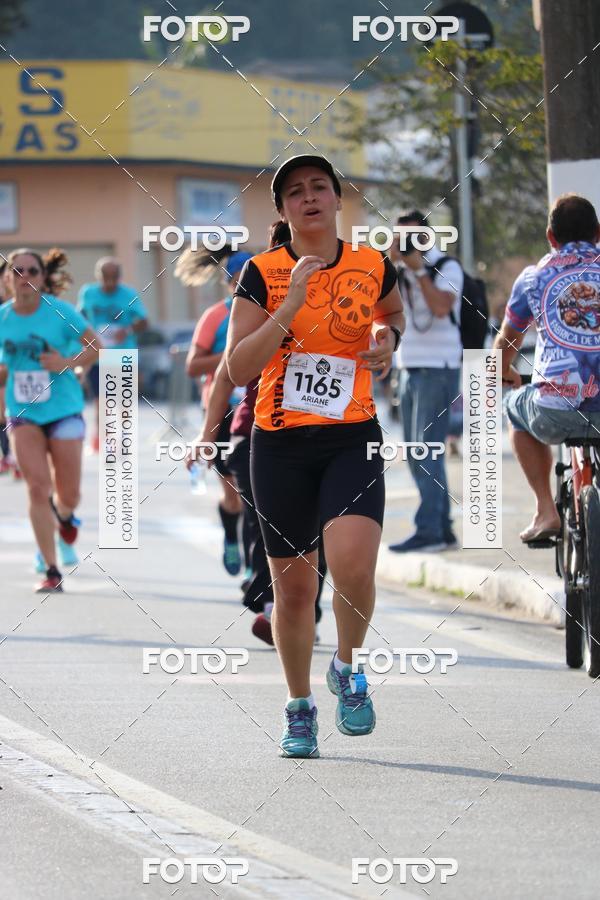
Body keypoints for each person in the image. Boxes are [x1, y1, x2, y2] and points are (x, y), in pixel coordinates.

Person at [226, 154, 404, 758]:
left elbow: (391, 316)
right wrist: (289, 303)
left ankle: (349, 670)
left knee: (353, 567)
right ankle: (298, 706)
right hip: (278, 445)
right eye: (295, 192)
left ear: (336, 199)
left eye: (319, 188)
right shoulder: (262, 271)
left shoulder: (371, 264)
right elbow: (237, 367)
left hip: (352, 435)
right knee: (296, 592)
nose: (309, 198)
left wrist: (385, 340)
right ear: (282, 211)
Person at [187, 221, 327, 647]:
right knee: (266, 521)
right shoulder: (247, 305)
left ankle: (304, 612)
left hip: (324, 433)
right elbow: (224, 377)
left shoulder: (332, 301)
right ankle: (270, 604)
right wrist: (207, 435)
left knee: (318, 530)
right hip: (255, 429)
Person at [496, 193, 600, 542]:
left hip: (555, 407)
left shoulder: (532, 278)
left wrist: (506, 371)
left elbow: (506, 343)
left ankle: (545, 510)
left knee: (514, 408)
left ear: (550, 237)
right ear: (598, 233)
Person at [0, 248, 100, 592]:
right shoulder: (2, 318)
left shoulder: (60, 312)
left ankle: (67, 517)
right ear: (7, 279)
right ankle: (52, 570)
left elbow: (96, 346)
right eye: (16, 270)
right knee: (37, 488)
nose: (23, 275)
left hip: (63, 410)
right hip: (23, 413)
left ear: (42, 277)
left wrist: (67, 362)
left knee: (68, 493)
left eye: (31, 270)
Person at [389, 210, 463, 554]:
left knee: (426, 450)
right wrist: (390, 264)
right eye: (400, 236)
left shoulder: (446, 267)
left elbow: (439, 308)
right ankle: (443, 528)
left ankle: (429, 529)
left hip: (438, 367)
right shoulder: (397, 269)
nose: (406, 244)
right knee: (416, 452)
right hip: (407, 367)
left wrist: (418, 269)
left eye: (412, 237)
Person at [177, 245, 252, 577]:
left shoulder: (269, 312)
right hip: (221, 409)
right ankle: (231, 537)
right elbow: (193, 364)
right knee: (234, 495)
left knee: (259, 497)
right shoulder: (216, 316)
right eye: (240, 280)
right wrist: (235, 357)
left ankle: (256, 568)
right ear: (229, 284)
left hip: (258, 409)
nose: (247, 286)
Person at [78, 257, 148, 452]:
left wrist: (127, 329)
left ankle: (125, 438)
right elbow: (80, 318)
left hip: (123, 353)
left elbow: (143, 321)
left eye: (114, 277)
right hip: (98, 355)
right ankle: (105, 438)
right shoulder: (88, 293)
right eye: (105, 277)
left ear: (120, 277)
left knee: (123, 400)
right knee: (102, 400)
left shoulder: (128, 294)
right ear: (97, 276)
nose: (109, 282)